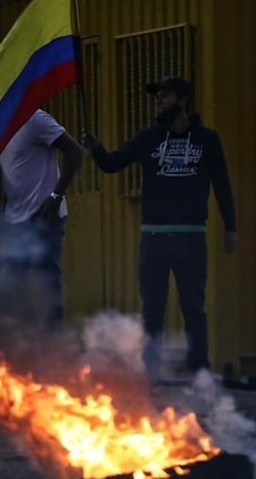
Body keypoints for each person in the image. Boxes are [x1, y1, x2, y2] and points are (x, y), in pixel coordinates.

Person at [80, 76, 237, 378]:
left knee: (193, 306)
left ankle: (199, 372)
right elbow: (113, 164)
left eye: (164, 96)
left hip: (191, 237)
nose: (159, 102)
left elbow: (222, 184)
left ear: (182, 100)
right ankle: (149, 373)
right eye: (158, 97)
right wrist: (96, 148)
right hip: (153, 237)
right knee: (153, 308)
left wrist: (231, 226)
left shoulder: (207, 140)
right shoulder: (148, 138)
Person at [0, 109, 83, 328]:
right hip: (14, 219)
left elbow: (75, 151)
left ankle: (53, 348)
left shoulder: (35, 118)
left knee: (47, 283)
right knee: (14, 287)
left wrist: (56, 196)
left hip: (44, 217)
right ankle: (25, 347)